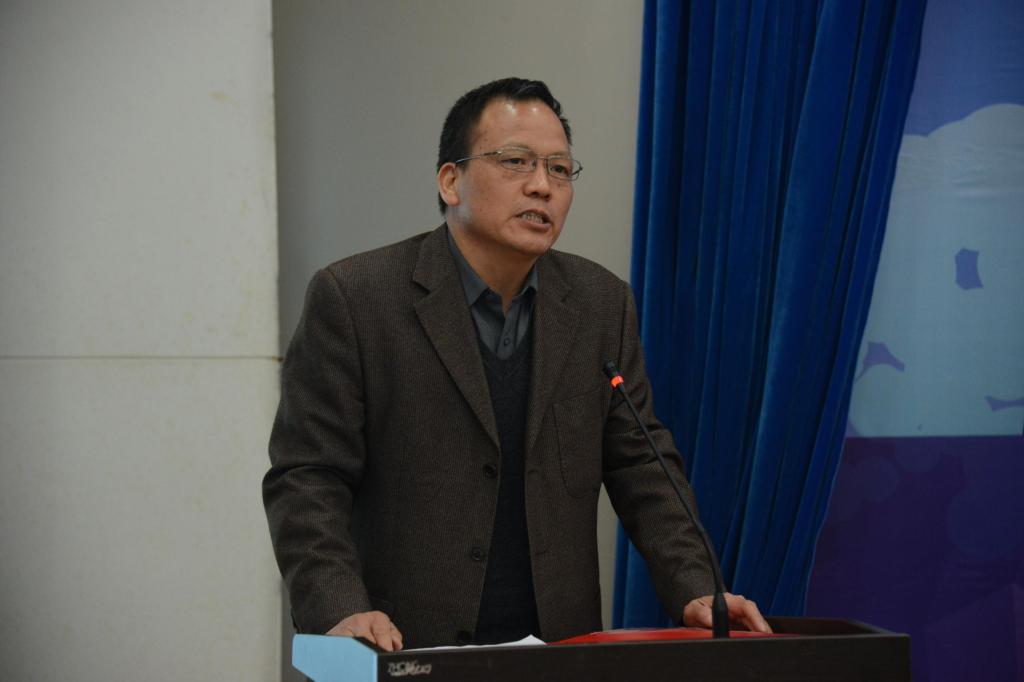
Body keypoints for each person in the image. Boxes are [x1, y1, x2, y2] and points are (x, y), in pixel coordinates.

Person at [263, 77, 769, 651]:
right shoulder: (356, 298)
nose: (542, 186)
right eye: (515, 161)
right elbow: (307, 475)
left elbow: (640, 463)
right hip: (398, 644)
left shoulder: (601, 304)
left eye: (560, 169)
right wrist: (339, 608)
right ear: (450, 180)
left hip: (558, 646)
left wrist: (697, 588)